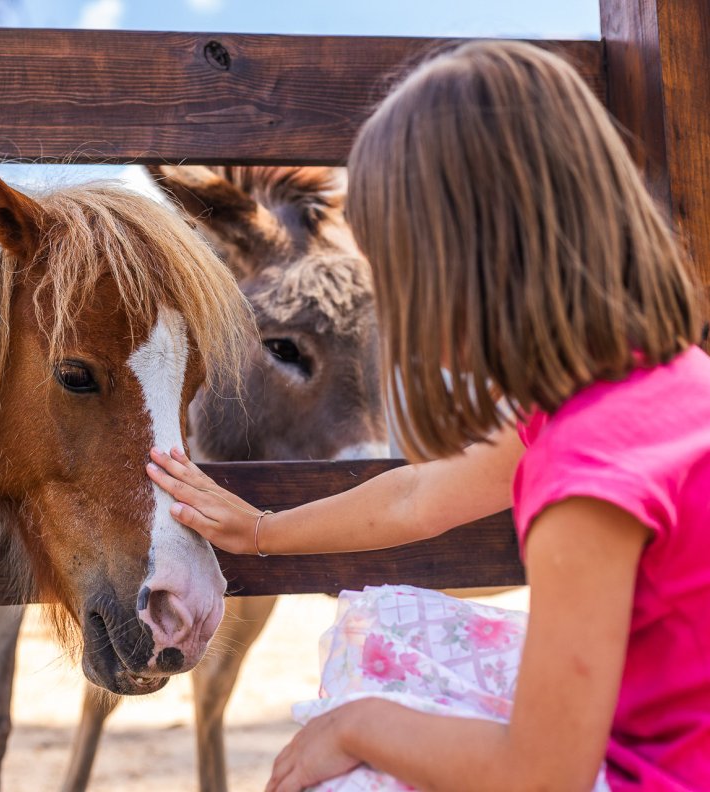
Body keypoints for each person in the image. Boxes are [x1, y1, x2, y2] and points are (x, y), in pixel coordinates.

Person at [145, 40, 710, 792]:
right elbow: (416, 496)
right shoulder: (639, 382)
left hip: (655, 775)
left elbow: (543, 775)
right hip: (659, 734)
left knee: (352, 768)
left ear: (468, 267)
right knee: (386, 635)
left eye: (398, 271)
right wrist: (261, 531)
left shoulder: (588, 482)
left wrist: (356, 727)